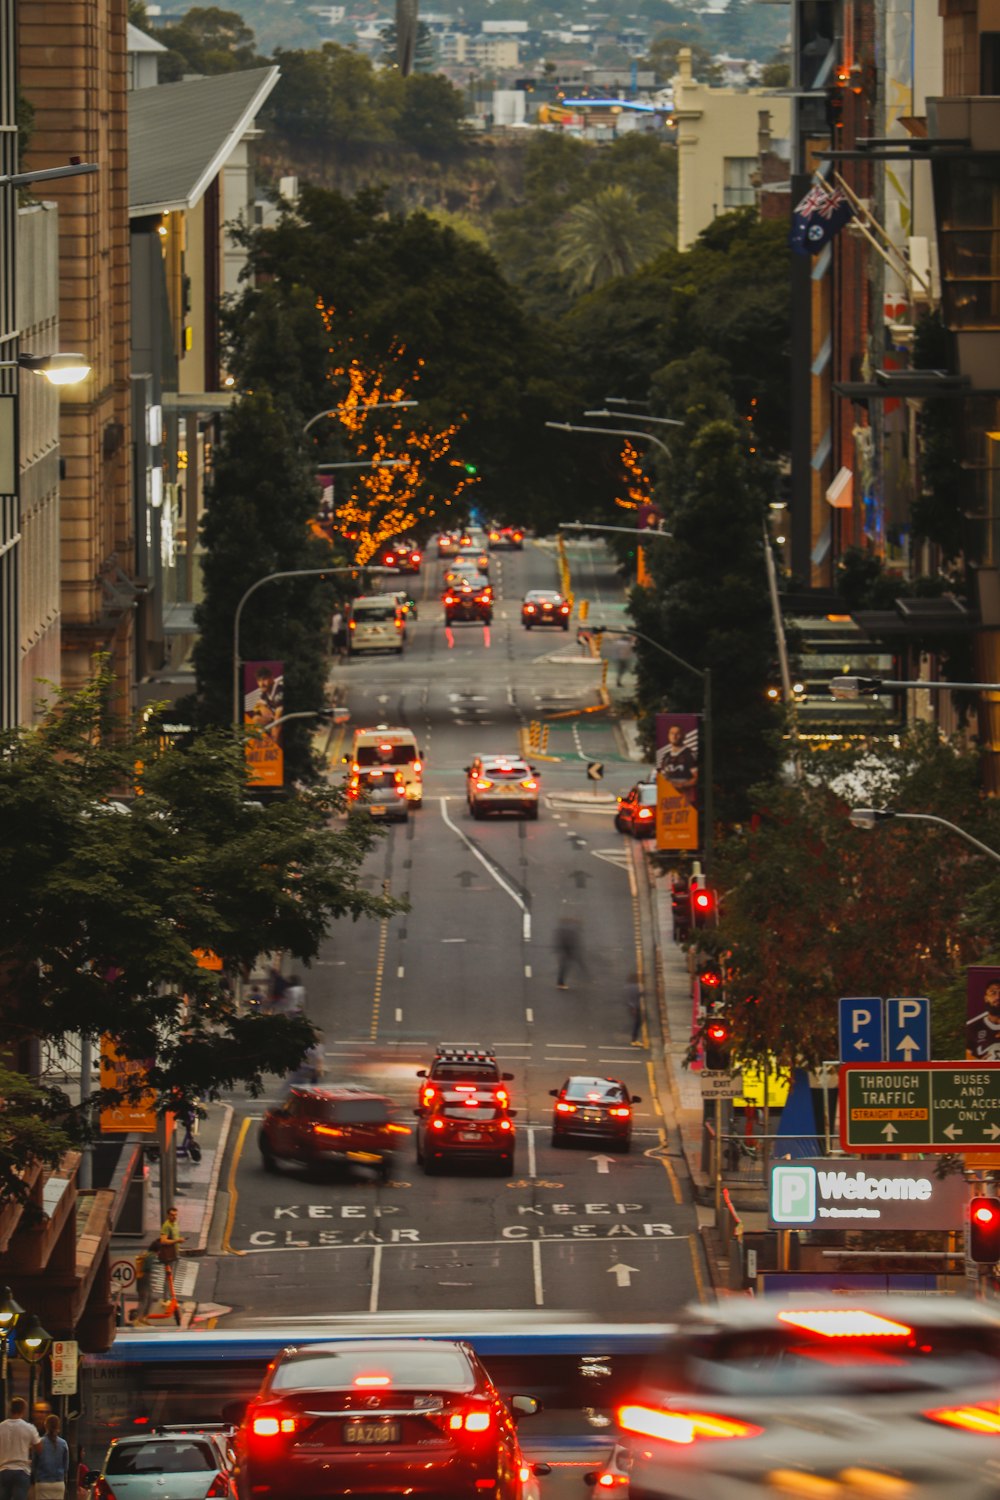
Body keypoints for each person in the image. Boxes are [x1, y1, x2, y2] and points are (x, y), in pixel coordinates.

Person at [0, 1396, 40, 1500]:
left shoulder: (1, 1427)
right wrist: (28, 1447)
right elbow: (39, 1447)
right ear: (23, 1410)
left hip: (3, 1470)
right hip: (21, 1470)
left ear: (10, 1409)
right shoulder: (29, 1428)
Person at [657, 722, 698, 804]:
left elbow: (696, 778)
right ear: (668, 736)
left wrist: (682, 785)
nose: (674, 736)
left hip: (686, 801)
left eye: (677, 733)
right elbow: (662, 779)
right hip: (668, 801)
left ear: (683, 736)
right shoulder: (665, 757)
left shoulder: (690, 755)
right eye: (672, 733)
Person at [33, 1413, 69, 1500]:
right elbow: (66, 1466)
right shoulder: (63, 1443)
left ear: (45, 1425)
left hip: (42, 1483)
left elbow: (34, 1463)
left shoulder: (39, 1442)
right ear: (58, 1426)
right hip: (58, 1483)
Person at [554, 915, 588, 990]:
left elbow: (560, 939)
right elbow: (570, 940)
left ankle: (585, 975)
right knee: (567, 965)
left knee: (566, 965)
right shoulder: (572, 929)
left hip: (567, 949)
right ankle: (560, 983)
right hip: (569, 949)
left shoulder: (564, 928)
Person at [131, 1238, 160, 1325]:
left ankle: (143, 1317)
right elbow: (148, 1268)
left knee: (149, 1298)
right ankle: (138, 1319)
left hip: (144, 1279)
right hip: (144, 1278)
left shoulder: (149, 1254)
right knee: (144, 1299)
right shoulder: (151, 1256)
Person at [625, 971, 643, 1044]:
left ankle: (634, 1039)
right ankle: (633, 1039)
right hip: (635, 1007)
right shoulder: (634, 987)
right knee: (637, 1023)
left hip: (633, 1007)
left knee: (637, 1022)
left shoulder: (628, 987)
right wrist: (634, 1008)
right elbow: (639, 994)